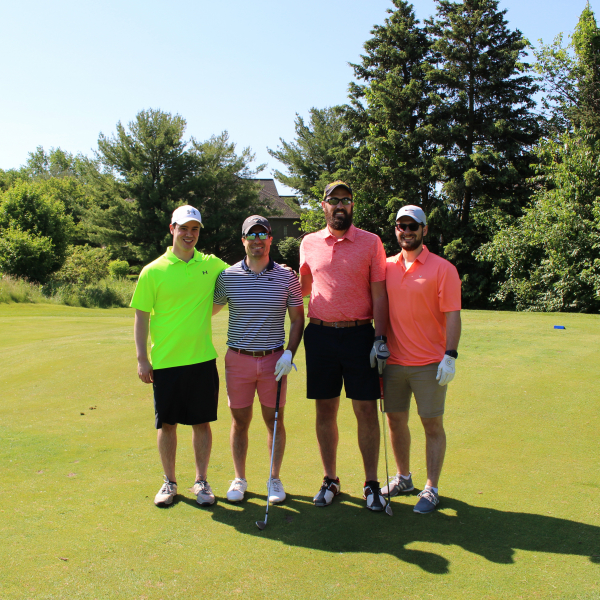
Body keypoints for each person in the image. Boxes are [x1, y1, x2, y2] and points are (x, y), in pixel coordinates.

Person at [299, 180, 390, 512]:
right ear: (323, 205)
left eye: (346, 200)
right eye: (333, 200)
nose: (340, 206)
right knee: (325, 410)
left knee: (365, 409)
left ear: (352, 205)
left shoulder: (371, 242)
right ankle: (330, 479)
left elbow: (379, 294)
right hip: (320, 335)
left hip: (360, 335)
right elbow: (304, 286)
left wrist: (381, 338)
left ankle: (371, 483)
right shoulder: (308, 242)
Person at [131, 205, 228, 507]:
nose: (189, 234)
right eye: (183, 228)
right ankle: (169, 482)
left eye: (195, 229)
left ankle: (201, 481)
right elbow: (141, 316)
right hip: (166, 362)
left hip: (201, 359)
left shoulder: (210, 264)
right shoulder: (153, 271)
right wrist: (141, 359)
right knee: (168, 424)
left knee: (201, 423)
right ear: (172, 229)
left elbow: (242, 275)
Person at [213, 215, 304, 504]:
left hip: (273, 361)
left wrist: (290, 352)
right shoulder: (227, 277)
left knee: (274, 420)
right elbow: (206, 311)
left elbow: (298, 319)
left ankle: (274, 479)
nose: (257, 240)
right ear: (243, 240)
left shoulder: (287, 276)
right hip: (237, 359)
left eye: (262, 235)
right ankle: (239, 478)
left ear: (270, 240)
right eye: (251, 236)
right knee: (240, 421)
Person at [381, 205, 462, 514]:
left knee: (431, 425)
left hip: (430, 363)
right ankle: (403, 478)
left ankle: (431, 487)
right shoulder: (386, 266)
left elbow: (452, 315)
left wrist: (450, 356)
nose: (407, 231)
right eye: (401, 226)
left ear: (424, 229)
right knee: (395, 421)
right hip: (394, 363)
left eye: (412, 226)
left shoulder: (443, 269)